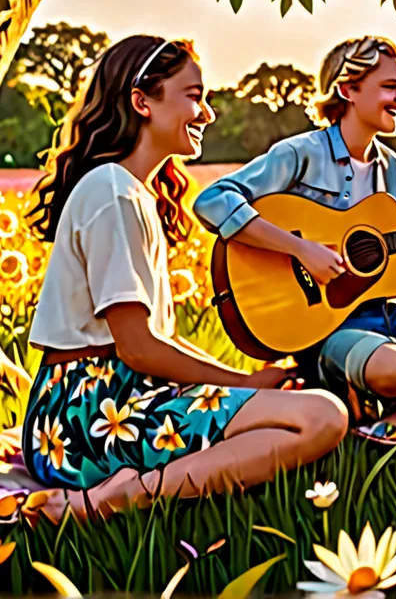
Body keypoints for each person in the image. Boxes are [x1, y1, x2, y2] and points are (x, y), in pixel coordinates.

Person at [20, 36, 347, 525]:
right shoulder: (114, 193)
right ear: (142, 102)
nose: (208, 114)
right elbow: (137, 349)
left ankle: (135, 488)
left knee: (307, 409)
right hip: (84, 419)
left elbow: (158, 343)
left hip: (123, 400)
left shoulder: (131, 191)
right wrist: (241, 382)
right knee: (321, 417)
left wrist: (251, 386)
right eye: (195, 96)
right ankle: (117, 500)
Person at [193, 36, 396, 413]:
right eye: (390, 87)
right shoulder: (300, 153)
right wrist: (301, 249)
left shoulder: (388, 166)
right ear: (348, 89)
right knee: (394, 366)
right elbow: (212, 201)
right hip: (325, 330)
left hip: (384, 315)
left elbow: (388, 261)